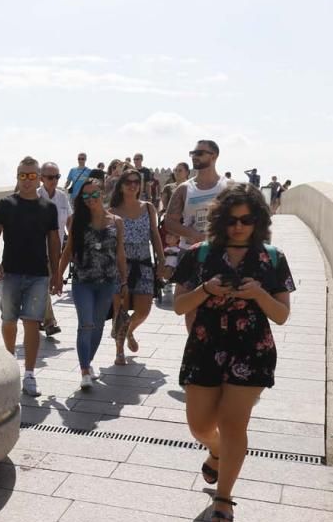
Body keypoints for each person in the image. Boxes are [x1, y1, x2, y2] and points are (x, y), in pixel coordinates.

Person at [172, 183, 294, 522]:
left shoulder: (271, 258)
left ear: (258, 220)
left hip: (251, 351)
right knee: (199, 426)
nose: (239, 226)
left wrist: (258, 293)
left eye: (247, 219)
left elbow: (282, 315)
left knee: (233, 423)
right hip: (205, 347)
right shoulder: (198, 254)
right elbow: (179, 305)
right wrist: (205, 289)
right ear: (220, 220)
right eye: (232, 219)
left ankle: (224, 499)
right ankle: (217, 451)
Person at [0, 156, 63, 397]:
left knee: (32, 322)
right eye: (23, 175)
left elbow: (54, 242)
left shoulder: (48, 208)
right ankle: (10, 365)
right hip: (10, 273)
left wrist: (57, 274)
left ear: (39, 178)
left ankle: (29, 374)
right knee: (9, 321)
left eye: (32, 176)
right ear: (17, 177)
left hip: (38, 275)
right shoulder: (6, 204)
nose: (28, 180)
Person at [58, 173, 126, 389]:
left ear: (102, 194)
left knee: (97, 327)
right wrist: (57, 277)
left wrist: (124, 281)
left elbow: (120, 253)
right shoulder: (75, 220)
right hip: (83, 282)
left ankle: (88, 361)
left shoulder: (116, 222)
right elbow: (68, 252)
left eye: (94, 194)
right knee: (85, 324)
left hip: (107, 282)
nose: (90, 199)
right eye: (85, 196)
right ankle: (85, 370)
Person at [109, 167, 165, 365]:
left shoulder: (148, 207)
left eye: (136, 182)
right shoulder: (112, 211)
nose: (133, 185)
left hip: (143, 264)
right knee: (120, 310)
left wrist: (161, 259)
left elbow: (155, 235)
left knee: (144, 310)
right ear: (121, 186)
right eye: (128, 182)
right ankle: (119, 350)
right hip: (120, 266)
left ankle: (129, 331)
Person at [163, 140, 233, 247]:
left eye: (199, 153)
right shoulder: (184, 188)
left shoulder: (228, 186)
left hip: (221, 250)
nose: (194, 157)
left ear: (214, 156)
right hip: (190, 252)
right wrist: (195, 235)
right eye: (193, 153)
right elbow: (170, 222)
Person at [38, 161, 71, 337]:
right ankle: (50, 321)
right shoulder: (34, 196)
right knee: (43, 285)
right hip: (36, 251)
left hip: (55, 250)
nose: (54, 180)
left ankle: (36, 316)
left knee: (50, 286)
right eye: (50, 177)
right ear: (41, 178)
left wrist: (74, 242)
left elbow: (69, 222)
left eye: (57, 177)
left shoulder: (62, 197)